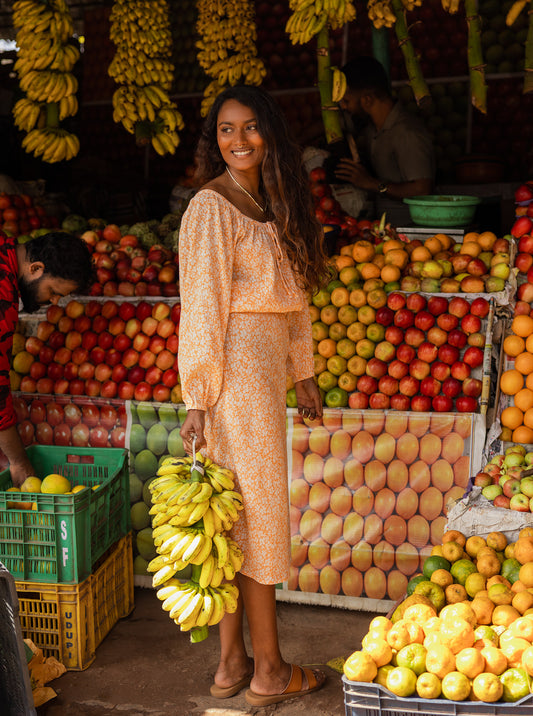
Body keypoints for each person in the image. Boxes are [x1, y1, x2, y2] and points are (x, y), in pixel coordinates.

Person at [178, 85, 329, 707]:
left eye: (249, 128)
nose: (237, 141)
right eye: (224, 131)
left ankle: (231, 663)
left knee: (239, 518)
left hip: (265, 373)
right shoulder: (210, 208)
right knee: (257, 518)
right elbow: (202, 309)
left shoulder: (275, 201)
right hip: (233, 377)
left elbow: (293, 298)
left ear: (271, 132)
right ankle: (268, 671)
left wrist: (304, 371)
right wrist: (198, 397)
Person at [0, 231, 93, 486]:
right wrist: (19, 462)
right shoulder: (3, 296)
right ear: (36, 268)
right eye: (53, 290)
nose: (53, 301)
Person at [335, 55, 435, 226]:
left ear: (367, 99)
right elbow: (338, 124)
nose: (343, 107)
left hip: (412, 231)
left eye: (346, 101)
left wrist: (372, 184)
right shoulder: (371, 127)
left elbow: (422, 189)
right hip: (385, 228)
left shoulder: (406, 132)